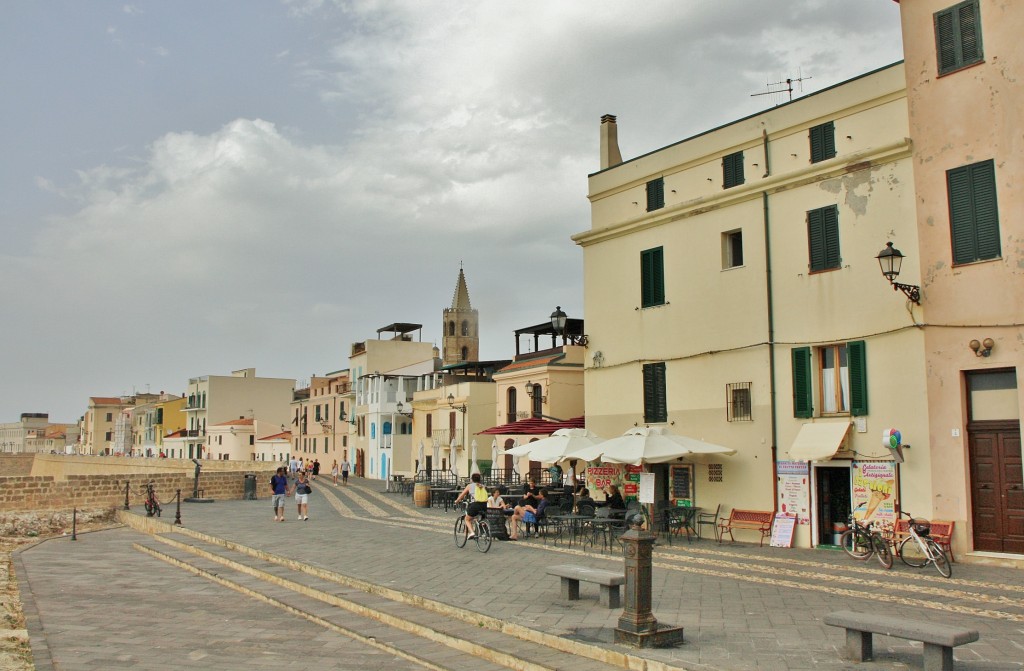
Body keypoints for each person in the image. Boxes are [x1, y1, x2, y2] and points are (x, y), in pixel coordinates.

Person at [453, 473, 488, 539]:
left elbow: (462, 495)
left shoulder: (469, 486)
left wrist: (457, 501)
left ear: (472, 479)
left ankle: (472, 532)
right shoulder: (483, 486)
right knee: (476, 516)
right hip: (484, 505)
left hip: (475, 505)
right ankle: (481, 527)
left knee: (467, 519)